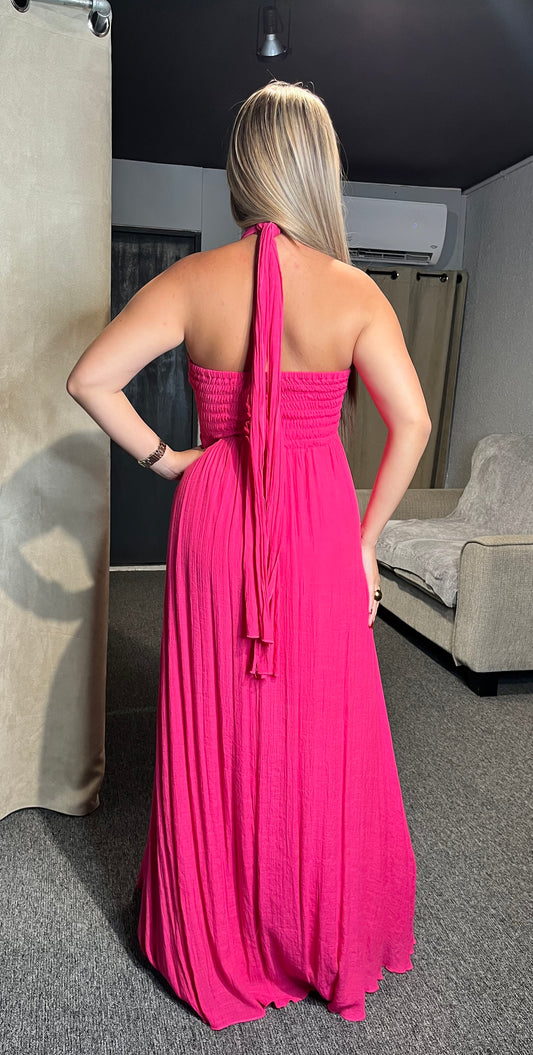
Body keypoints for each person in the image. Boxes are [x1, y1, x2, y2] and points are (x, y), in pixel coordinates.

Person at [67, 79, 432, 1029]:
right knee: (318, 726)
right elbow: (413, 422)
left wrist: (167, 458)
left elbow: (91, 377)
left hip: (215, 516)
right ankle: (310, 929)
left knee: (218, 721)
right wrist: (366, 542)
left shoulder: (194, 280)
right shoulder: (356, 292)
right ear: (317, 170)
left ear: (242, 169)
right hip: (314, 524)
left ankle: (219, 924)